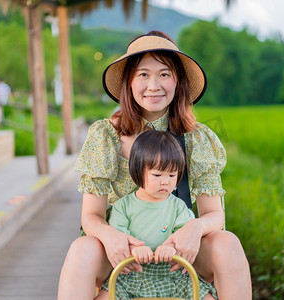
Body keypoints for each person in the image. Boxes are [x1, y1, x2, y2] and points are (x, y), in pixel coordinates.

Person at [58, 31, 252, 300]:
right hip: (122, 252)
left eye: (164, 74)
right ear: (129, 82)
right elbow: (91, 216)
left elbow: (214, 215)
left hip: (176, 251)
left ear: (177, 81)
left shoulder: (197, 137)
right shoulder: (105, 135)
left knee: (228, 243)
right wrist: (112, 237)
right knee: (82, 249)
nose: (154, 85)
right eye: (143, 75)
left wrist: (192, 229)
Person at [96, 129, 217, 300]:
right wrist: (134, 249)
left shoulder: (178, 207)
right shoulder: (123, 206)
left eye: (172, 175)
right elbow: (118, 237)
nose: (165, 181)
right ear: (138, 171)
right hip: (132, 276)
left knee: (205, 296)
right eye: (157, 174)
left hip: (173, 275)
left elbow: (184, 235)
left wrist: (172, 248)